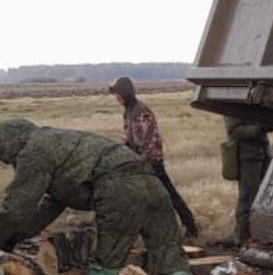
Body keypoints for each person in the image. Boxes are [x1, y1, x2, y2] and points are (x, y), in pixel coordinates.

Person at [0, 118, 191, 275]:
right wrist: (17, 235)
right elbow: (53, 203)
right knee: (170, 257)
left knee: (108, 263)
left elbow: (16, 205)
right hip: (151, 181)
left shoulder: (32, 152)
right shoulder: (55, 141)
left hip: (119, 188)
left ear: (9, 142)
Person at [109, 77, 198, 239]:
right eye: (115, 94)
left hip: (151, 162)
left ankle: (190, 226)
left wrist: (141, 161)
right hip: (138, 162)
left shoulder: (141, 111)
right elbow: (130, 140)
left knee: (169, 195)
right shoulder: (128, 112)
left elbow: (150, 141)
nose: (116, 97)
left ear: (126, 93)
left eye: (118, 93)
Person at [225, 117, 273, 245]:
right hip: (247, 156)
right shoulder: (234, 103)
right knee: (248, 197)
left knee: (264, 197)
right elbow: (234, 131)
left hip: (261, 153)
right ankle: (243, 236)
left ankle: (257, 234)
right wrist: (259, 128)